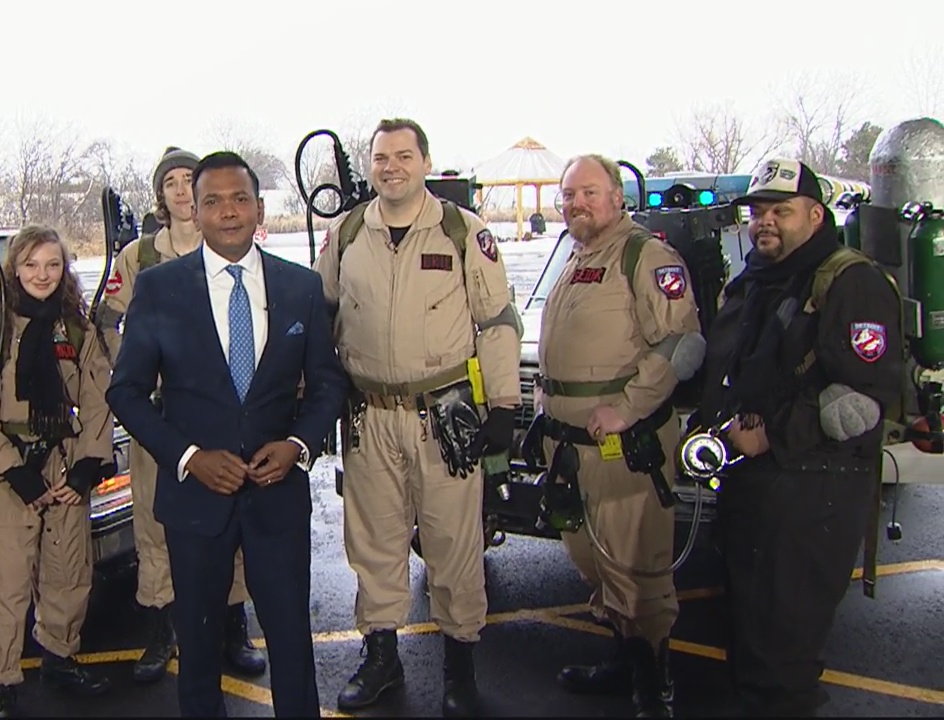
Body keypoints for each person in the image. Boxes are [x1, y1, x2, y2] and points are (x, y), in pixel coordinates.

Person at [106, 151, 348, 717]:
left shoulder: (302, 288)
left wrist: (299, 446)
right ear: (196, 210)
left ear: (260, 207)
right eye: (212, 201)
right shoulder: (161, 288)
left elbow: (327, 387)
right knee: (198, 649)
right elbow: (126, 393)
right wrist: (188, 457)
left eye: (240, 199)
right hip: (195, 503)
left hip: (277, 500)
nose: (228, 212)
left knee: (291, 641)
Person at [312, 118, 522, 717]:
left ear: (425, 162)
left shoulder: (463, 232)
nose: (391, 167)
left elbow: (498, 321)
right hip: (369, 416)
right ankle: (381, 659)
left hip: (443, 418)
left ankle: (460, 666)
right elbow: (320, 313)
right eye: (381, 157)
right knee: (373, 545)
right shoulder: (348, 232)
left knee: (454, 545)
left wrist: (503, 406)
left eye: (403, 156)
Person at [694, 158, 902, 717]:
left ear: (815, 215)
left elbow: (867, 396)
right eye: (758, 211)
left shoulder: (849, 281)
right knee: (750, 645)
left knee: (783, 660)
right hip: (754, 488)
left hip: (815, 490)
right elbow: (729, 367)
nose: (765, 222)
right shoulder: (756, 280)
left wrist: (775, 435)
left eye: (780, 211)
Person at [533, 155, 703, 717]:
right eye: (568, 195)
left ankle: (654, 685)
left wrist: (629, 409)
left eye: (588, 192)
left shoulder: (645, 256)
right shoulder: (576, 258)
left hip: (623, 451)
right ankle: (623, 661)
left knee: (638, 569)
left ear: (616, 197)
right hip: (571, 446)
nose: (576, 203)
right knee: (596, 563)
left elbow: (680, 344)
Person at [94, 146, 266, 682]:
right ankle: (163, 627)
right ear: (163, 195)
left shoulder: (232, 245)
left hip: (221, 413)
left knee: (231, 520)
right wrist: (137, 372)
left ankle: (233, 626)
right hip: (162, 420)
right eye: (169, 181)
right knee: (153, 523)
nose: (179, 188)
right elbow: (107, 322)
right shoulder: (141, 257)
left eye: (187, 179)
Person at [0, 224, 119, 717]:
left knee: (68, 572)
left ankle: (59, 655)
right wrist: (13, 470)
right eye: (31, 264)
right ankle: (3, 678)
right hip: (9, 465)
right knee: (7, 583)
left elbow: (97, 399)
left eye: (53, 264)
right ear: (14, 269)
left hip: (63, 460)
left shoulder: (75, 328)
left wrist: (87, 467)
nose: (42, 274)